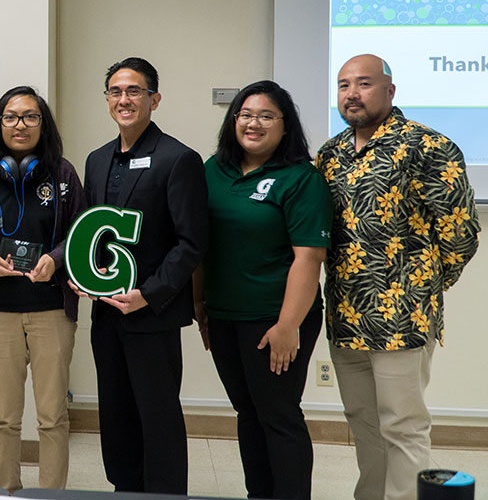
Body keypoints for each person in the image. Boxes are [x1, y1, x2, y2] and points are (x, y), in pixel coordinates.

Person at [317, 54, 479, 500]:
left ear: (390, 91)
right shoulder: (329, 155)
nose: (352, 93)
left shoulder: (428, 147)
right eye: (344, 84)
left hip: (403, 320)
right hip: (346, 317)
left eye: (364, 83)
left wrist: (418, 288)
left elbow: (461, 234)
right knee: (364, 425)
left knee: (403, 426)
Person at [75, 57, 208, 494]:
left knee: (158, 419)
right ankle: (124, 490)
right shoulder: (97, 161)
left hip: (153, 317)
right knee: (115, 417)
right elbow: (90, 230)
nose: (124, 99)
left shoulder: (178, 159)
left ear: (154, 99)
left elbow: (191, 243)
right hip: (107, 316)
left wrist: (148, 295)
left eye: (134, 91)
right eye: (115, 91)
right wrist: (81, 273)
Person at [194, 80, 331, 499]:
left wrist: (288, 325)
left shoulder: (300, 178)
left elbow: (309, 258)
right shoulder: (212, 169)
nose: (254, 124)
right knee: (247, 413)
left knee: (278, 415)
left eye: (266, 116)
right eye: (246, 114)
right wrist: (200, 305)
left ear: (285, 125)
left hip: (276, 321)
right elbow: (197, 243)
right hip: (223, 317)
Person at [0, 86, 87, 491]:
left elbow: (80, 232)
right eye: (10, 117)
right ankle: (6, 492)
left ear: (43, 125)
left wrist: (56, 260)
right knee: (5, 418)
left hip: (51, 311)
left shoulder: (61, 173)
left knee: (52, 417)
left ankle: (50, 496)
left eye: (30, 117)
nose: (20, 125)